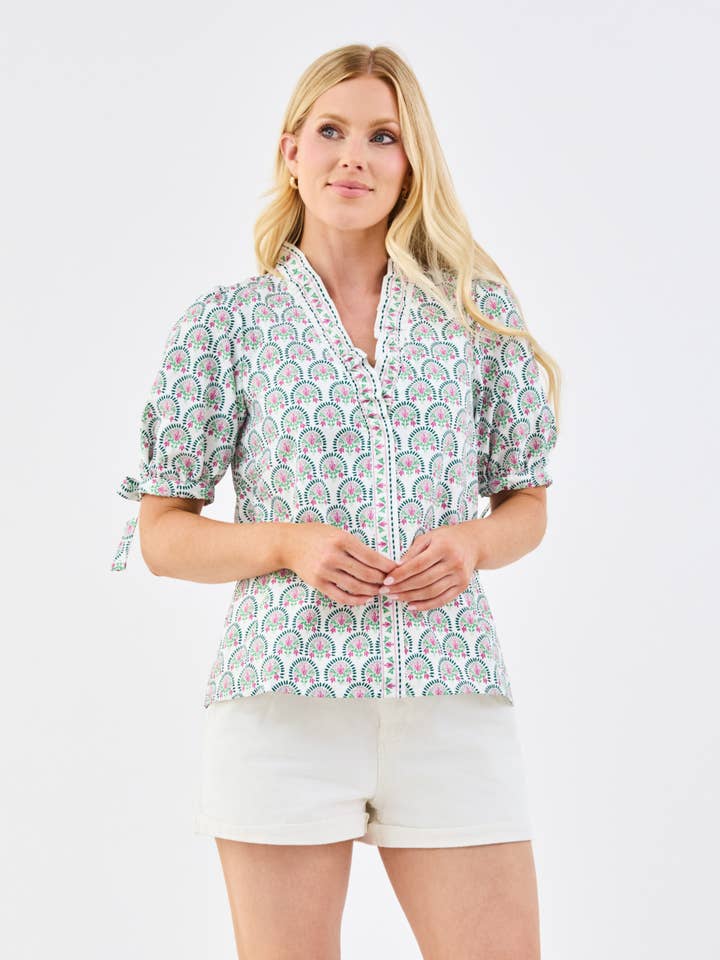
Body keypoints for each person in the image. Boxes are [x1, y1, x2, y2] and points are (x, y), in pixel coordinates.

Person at [110, 43, 560, 960]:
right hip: (282, 704)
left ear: (411, 162)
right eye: (331, 131)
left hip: (449, 694)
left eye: (383, 136)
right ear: (292, 153)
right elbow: (162, 535)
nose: (354, 156)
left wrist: (474, 543)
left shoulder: (475, 314)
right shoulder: (226, 324)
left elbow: (528, 503)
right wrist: (286, 543)